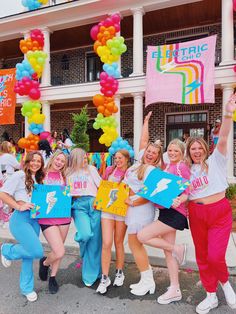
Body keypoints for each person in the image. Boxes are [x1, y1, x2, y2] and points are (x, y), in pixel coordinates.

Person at [186, 93, 236, 314]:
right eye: (192, 149)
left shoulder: (216, 160)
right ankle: (210, 295)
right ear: (189, 152)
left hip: (219, 212)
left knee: (216, 255)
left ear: (205, 149)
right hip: (196, 214)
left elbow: (224, 137)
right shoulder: (185, 171)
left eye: (199, 148)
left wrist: (228, 113)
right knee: (202, 256)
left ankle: (225, 284)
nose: (196, 151)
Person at [137, 138, 190, 304]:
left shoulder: (181, 166)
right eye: (171, 150)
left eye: (176, 151)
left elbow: (186, 191)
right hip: (165, 212)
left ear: (182, 153)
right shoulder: (167, 166)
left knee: (143, 236)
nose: (173, 153)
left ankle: (178, 248)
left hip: (174, 213)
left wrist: (179, 200)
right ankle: (175, 289)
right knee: (168, 254)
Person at [122, 111, 164, 296]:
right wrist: (145, 121)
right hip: (132, 207)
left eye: (154, 153)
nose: (150, 154)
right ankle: (146, 279)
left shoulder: (151, 170)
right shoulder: (139, 161)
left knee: (135, 244)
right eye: (148, 151)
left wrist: (133, 202)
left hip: (140, 209)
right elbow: (143, 141)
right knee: (135, 244)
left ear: (157, 157)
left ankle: (148, 281)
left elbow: (150, 195)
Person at [0, 151, 44, 302]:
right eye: (33, 160)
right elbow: (3, 193)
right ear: (27, 161)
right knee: (37, 251)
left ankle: (26, 288)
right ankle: (7, 250)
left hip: (35, 221)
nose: (35, 163)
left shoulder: (38, 178)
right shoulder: (19, 175)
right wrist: (18, 207)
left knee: (29, 255)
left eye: (39, 161)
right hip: (21, 220)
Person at [66, 148, 102, 287]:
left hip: (94, 204)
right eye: (82, 158)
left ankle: (92, 273)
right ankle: (80, 241)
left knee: (95, 241)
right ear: (75, 159)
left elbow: (101, 186)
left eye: (86, 157)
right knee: (86, 234)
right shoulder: (68, 172)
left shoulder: (91, 169)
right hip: (79, 205)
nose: (85, 160)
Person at [96, 149, 130, 294]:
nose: (117, 160)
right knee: (106, 243)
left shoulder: (130, 172)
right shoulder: (109, 170)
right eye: (115, 158)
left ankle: (119, 272)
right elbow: (102, 187)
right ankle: (104, 278)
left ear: (127, 159)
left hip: (122, 212)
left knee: (118, 242)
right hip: (107, 210)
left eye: (120, 158)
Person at [38, 150, 70, 294]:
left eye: (63, 161)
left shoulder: (64, 176)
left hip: (63, 217)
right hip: (46, 218)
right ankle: (45, 263)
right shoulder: (41, 173)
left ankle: (53, 277)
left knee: (58, 250)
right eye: (58, 159)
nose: (59, 163)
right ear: (53, 158)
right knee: (59, 251)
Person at [0, 141, 21, 226]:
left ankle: (3, 218)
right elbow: (18, 166)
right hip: (9, 178)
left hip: (2, 178)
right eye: (10, 146)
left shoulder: (1, 156)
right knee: (9, 198)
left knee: (4, 198)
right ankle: (6, 218)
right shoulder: (9, 156)